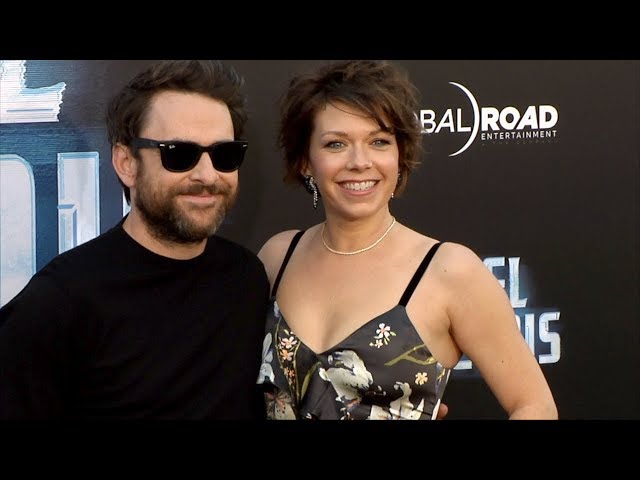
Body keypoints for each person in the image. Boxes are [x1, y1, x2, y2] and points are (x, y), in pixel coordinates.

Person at [255, 60, 558, 420]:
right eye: (336, 144)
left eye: (379, 141)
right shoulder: (278, 257)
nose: (360, 161)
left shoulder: (448, 271)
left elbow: (534, 405)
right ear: (306, 161)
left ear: (400, 157)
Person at [0, 60, 270, 419]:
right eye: (180, 154)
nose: (207, 175)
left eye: (225, 155)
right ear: (126, 163)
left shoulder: (247, 279)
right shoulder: (59, 303)